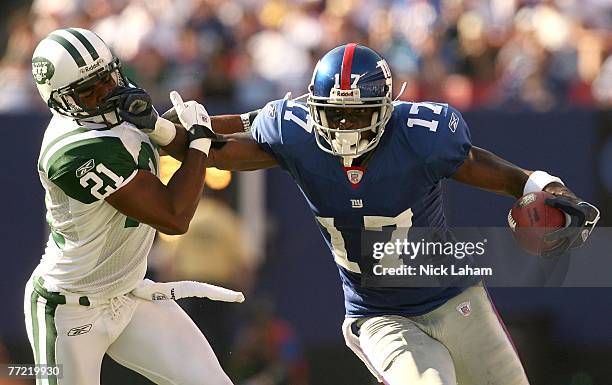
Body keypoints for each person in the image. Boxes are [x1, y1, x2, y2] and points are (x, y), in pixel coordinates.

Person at [130, 44, 600, 384]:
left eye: (357, 115)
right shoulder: (296, 134)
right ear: (314, 110)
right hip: (379, 314)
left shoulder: (421, 134)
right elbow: (219, 145)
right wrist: (166, 129)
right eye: (335, 115)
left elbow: (481, 165)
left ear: (386, 108)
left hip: (454, 298)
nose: (345, 126)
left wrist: (539, 183)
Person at [25, 27, 245, 385]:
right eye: (88, 90)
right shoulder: (74, 150)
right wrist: (199, 145)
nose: (105, 94)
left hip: (128, 294)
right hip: (68, 309)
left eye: (107, 79)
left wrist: (258, 121)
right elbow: (173, 217)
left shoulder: (116, 107)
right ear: (61, 101)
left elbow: (183, 140)